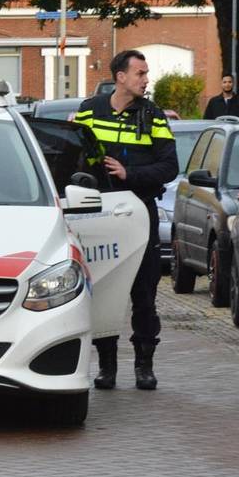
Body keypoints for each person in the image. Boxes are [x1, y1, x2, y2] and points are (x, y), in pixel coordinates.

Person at [75, 50, 179, 390]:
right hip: (97, 212)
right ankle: (106, 365)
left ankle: (144, 365)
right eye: (140, 73)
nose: (145, 79)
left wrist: (128, 173)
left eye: (146, 73)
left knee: (144, 291)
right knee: (103, 288)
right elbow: (73, 156)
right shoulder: (90, 110)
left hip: (139, 212)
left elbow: (169, 166)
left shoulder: (152, 115)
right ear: (121, 76)